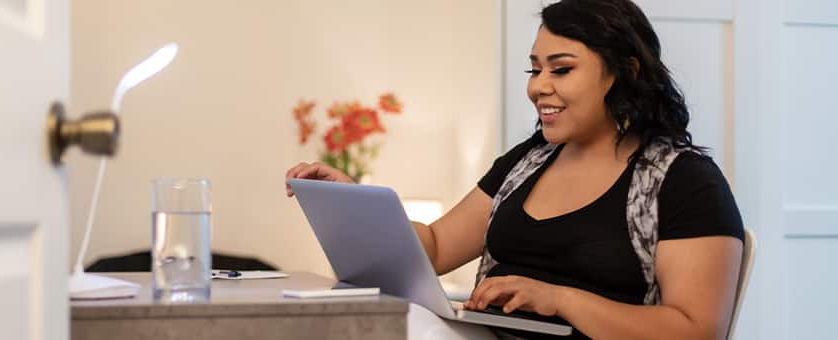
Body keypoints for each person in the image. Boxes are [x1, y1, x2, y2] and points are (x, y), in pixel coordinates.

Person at [285, 0, 744, 338]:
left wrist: (559, 298)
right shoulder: (528, 161)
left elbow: (696, 330)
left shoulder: (684, 181)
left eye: (560, 70)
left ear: (626, 72)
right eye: (534, 70)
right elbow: (437, 247)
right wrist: (358, 203)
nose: (539, 87)